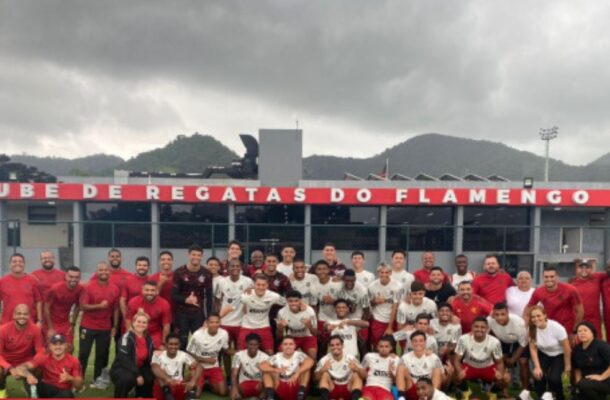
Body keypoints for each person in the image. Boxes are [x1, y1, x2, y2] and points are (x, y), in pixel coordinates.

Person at [79, 261, 120, 389]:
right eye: (101, 270)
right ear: (96, 272)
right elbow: (82, 306)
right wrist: (99, 306)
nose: (103, 272)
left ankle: (98, 380)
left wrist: (115, 326)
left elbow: (116, 309)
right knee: (84, 354)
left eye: (106, 270)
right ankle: (78, 380)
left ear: (109, 272)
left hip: (105, 328)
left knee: (102, 355)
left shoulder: (114, 288)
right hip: (87, 326)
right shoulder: (89, 287)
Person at [453, 317, 508, 399]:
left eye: (482, 327)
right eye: (476, 326)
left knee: (506, 378)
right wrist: (459, 371)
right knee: (454, 374)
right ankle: (466, 391)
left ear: (487, 329)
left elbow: (499, 362)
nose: (479, 329)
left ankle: (492, 392)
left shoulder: (494, 341)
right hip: (469, 366)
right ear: (472, 328)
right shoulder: (463, 339)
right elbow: (456, 360)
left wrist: (500, 373)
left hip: (488, 367)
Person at [216, 258, 253, 378]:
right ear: (227, 268)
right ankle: (228, 377)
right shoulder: (221, 282)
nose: (235, 268)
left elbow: (253, 297)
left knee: (241, 351)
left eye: (237, 266)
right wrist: (218, 318)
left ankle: (238, 377)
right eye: (232, 266)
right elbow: (217, 301)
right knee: (225, 351)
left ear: (241, 267)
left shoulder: (248, 281)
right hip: (225, 322)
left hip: (242, 323)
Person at [14, 334, 83, 398]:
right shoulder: (44, 358)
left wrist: (70, 378)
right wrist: (28, 375)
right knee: (28, 376)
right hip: (46, 388)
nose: (58, 347)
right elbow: (20, 367)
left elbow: (79, 386)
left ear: (65, 346)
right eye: (54, 344)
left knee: (67, 395)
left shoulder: (73, 360)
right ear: (50, 346)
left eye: (60, 344)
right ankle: (33, 396)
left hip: (62, 392)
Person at [172, 245, 214, 350]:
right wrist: (186, 300)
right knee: (182, 343)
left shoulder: (207, 273)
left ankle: (196, 366)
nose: (196, 257)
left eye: (198, 255)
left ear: (202, 256)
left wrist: (208, 318)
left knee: (199, 343)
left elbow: (209, 297)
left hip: (198, 315)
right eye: (193, 254)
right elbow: (173, 295)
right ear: (188, 255)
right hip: (182, 314)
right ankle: (180, 366)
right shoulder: (179, 272)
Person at [525, 266, 583, 342]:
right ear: (543, 278)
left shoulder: (570, 290)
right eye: (546, 277)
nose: (549, 279)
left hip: (567, 327)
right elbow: (528, 308)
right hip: (549, 327)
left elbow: (580, 310)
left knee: (568, 350)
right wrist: (526, 321)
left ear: (557, 277)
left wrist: (575, 329)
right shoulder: (538, 292)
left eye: (552, 276)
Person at [0, 304, 45, 397]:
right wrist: (9, 367)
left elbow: (40, 351)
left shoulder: (35, 329)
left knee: (40, 369)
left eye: (25, 314)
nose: (22, 316)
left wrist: (30, 364)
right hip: (7, 361)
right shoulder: (3, 330)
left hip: (24, 362)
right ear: (14, 315)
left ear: (29, 315)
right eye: (19, 313)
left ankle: (31, 389)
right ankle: (1, 390)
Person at [528, 305, 571, 400]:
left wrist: (568, 366)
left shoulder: (557, 328)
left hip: (559, 354)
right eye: (533, 317)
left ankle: (560, 397)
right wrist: (537, 367)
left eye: (538, 316)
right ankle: (542, 396)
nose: (536, 319)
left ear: (545, 315)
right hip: (544, 353)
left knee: (554, 379)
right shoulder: (532, 329)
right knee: (538, 375)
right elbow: (533, 348)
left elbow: (566, 348)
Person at [236, 275, 286, 354]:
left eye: (263, 285)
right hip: (247, 326)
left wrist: (302, 304)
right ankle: (235, 366)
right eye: (258, 285)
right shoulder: (246, 295)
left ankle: (269, 366)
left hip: (263, 326)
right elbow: (233, 307)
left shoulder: (273, 296)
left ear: (267, 285)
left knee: (270, 352)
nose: (261, 287)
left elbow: (288, 302)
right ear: (254, 285)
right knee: (240, 352)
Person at [487, 302, 530, 393]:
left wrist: (514, 359)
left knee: (523, 362)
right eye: (496, 314)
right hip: (503, 340)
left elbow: (523, 344)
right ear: (493, 314)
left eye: (503, 314)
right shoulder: (489, 320)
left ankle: (525, 391)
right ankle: (503, 391)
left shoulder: (519, 323)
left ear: (508, 313)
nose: (500, 317)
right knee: (500, 360)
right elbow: (484, 334)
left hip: (519, 341)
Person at [110, 312, 154, 398]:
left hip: (139, 367)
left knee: (149, 377)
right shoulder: (126, 338)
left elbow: (150, 357)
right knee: (126, 378)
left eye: (144, 322)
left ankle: (140, 396)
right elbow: (124, 359)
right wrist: (137, 374)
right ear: (133, 323)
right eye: (138, 321)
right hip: (122, 368)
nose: (141, 324)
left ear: (147, 325)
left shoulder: (148, 339)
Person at [186, 314, 230, 397]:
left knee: (223, 392)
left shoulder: (224, 334)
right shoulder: (198, 334)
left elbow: (226, 349)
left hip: (214, 366)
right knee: (196, 395)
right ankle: (194, 379)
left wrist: (239, 351)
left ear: (220, 322)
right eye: (212, 322)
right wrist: (205, 360)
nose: (214, 325)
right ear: (206, 323)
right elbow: (189, 351)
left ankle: (207, 385)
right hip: (199, 366)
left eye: (217, 322)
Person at [260, 336, 315, 400]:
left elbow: (311, 362)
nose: (288, 346)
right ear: (281, 346)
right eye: (285, 344)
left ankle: (301, 394)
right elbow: (262, 366)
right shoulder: (277, 356)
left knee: (306, 369)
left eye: (291, 344)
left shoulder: (299, 355)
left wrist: (297, 373)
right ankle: (270, 396)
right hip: (281, 386)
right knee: (267, 371)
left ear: (295, 346)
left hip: (296, 386)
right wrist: (275, 370)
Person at [44, 266, 83, 352]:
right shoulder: (55, 289)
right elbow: (46, 308)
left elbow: (78, 306)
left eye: (76, 277)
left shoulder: (79, 289)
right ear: (66, 276)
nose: (73, 279)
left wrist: (73, 324)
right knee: (50, 350)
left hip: (65, 323)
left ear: (79, 278)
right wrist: (50, 328)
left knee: (69, 348)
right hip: (52, 323)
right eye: (71, 276)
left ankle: (66, 366)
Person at [151, 333, 200, 400]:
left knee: (193, 369)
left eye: (176, 344)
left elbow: (199, 366)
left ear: (179, 345)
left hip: (178, 384)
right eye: (171, 344)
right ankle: (167, 394)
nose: (173, 347)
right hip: (163, 386)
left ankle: (191, 394)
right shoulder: (158, 354)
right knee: (160, 371)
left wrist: (193, 381)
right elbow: (154, 367)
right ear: (166, 344)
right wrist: (168, 379)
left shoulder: (183, 355)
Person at [396, 331, 443, 399]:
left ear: (425, 342)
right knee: (401, 367)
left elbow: (440, 377)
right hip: (412, 388)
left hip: (427, 391)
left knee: (436, 369)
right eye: (415, 341)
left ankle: (433, 396)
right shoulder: (405, 357)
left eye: (421, 341)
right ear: (412, 343)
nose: (418, 343)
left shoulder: (433, 357)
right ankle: (401, 397)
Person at [315, 335, 364, 400]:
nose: (335, 347)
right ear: (329, 347)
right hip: (332, 388)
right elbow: (315, 378)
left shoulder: (350, 358)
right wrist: (322, 370)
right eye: (332, 345)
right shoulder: (324, 360)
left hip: (348, 388)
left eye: (338, 344)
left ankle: (355, 398)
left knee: (356, 374)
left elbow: (365, 375)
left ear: (342, 345)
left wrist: (357, 369)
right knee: (324, 374)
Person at [126, 280, 172, 349]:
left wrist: (163, 343)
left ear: (157, 291)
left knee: (155, 354)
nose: (149, 293)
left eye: (153, 290)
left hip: (155, 334)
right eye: (147, 290)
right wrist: (130, 336)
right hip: (138, 333)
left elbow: (166, 325)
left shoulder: (164, 304)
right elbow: (128, 320)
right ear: (142, 290)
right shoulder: (133, 302)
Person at [572, 321, 610, 400]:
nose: (582, 333)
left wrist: (601, 377)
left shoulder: (601, 345)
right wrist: (578, 383)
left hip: (605, 380)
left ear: (592, 332)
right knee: (577, 395)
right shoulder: (576, 349)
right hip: (587, 381)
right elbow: (577, 368)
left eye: (585, 330)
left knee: (584, 385)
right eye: (579, 331)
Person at [0, 253, 42, 325]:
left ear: (24, 264)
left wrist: (39, 320)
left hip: (29, 323)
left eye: (20, 261)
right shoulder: (2, 281)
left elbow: (38, 301)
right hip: (7, 324)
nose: (17, 263)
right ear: (10, 264)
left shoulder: (33, 280)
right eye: (14, 261)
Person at [337, 269, 371, 355]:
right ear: (343, 279)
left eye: (352, 280)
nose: (349, 282)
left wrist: (359, 328)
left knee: (362, 345)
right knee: (345, 346)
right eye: (347, 280)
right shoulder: (339, 287)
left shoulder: (362, 290)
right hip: (344, 321)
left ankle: (364, 366)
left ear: (355, 279)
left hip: (358, 319)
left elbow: (366, 311)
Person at [277, 290, 318, 359]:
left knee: (312, 355)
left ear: (301, 301)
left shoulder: (309, 311)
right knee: (282, 354)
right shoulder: (282, 312)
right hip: (291, 337)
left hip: (307, 336)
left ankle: (314, 369)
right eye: (291, 301)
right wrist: (280, 328)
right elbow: (279, 336)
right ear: (287, 301)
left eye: (296, 301)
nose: (293, 303)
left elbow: (316, 334)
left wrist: (310, 326)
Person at [569, 259, 606, 337]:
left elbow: (607, 273)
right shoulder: (572, 283)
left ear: (591, 269)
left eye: (587, 267)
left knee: (596, 341)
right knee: (579, 342)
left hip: (594, 319)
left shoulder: (597, 278)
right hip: (579, 319)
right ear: (577, 269)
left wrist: (594, 262)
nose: (584, 270)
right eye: (581, 267)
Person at [368, 263, 402, 349]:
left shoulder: (397, 286)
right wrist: (375, 301)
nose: (384, 274)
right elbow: (369, 304)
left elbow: (395, 306)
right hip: (378, 318)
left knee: (391, 346)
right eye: (381, 272)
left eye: (386, 272)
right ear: (378, 273)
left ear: (390, 273)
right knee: (377, 345)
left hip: (392, 319)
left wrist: (389, 327)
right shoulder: (372, 286)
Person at [313, 260, 343, 353]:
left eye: (324, 269)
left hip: (337, 319)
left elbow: (345, 303)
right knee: (323, 344)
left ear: (329, 270)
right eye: (319, 269)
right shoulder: (314, 286)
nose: (322, 271)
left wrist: (333, 301)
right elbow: (314, 305)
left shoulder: (337, 283)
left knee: (338, 344)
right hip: (323, 318)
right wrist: (315, 321)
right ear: (315, 271)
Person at [230, 333, 269, 400]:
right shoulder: (238, 355)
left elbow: (267, 376)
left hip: (258, 385)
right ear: (246, 344)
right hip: (243, 385)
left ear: (259, 345)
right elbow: (234, 373)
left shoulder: (265, 357)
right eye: (251, 344)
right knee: (233, 396)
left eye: (255, 344)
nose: (253, 347)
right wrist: (234, 388)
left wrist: (264, 391)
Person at [360, 335, 400, 400]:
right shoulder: (369, 356)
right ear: (377, 347)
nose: (384, 349)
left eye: (386, 346)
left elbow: (396, 382)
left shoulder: (395, 359)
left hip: (385, 389)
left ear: (391, 348)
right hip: (370, 387)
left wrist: (391, 373)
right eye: (381, 346)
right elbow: (362, 370)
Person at [120, 256, 151, 321]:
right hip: (130, 318)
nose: (142, 267)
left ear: (148, 267)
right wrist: (126, 318)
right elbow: (122, 301)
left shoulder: (151, 280)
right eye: (139, 265)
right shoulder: (127, 280)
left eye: (144, 265)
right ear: (136, 266)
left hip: (147, 319)